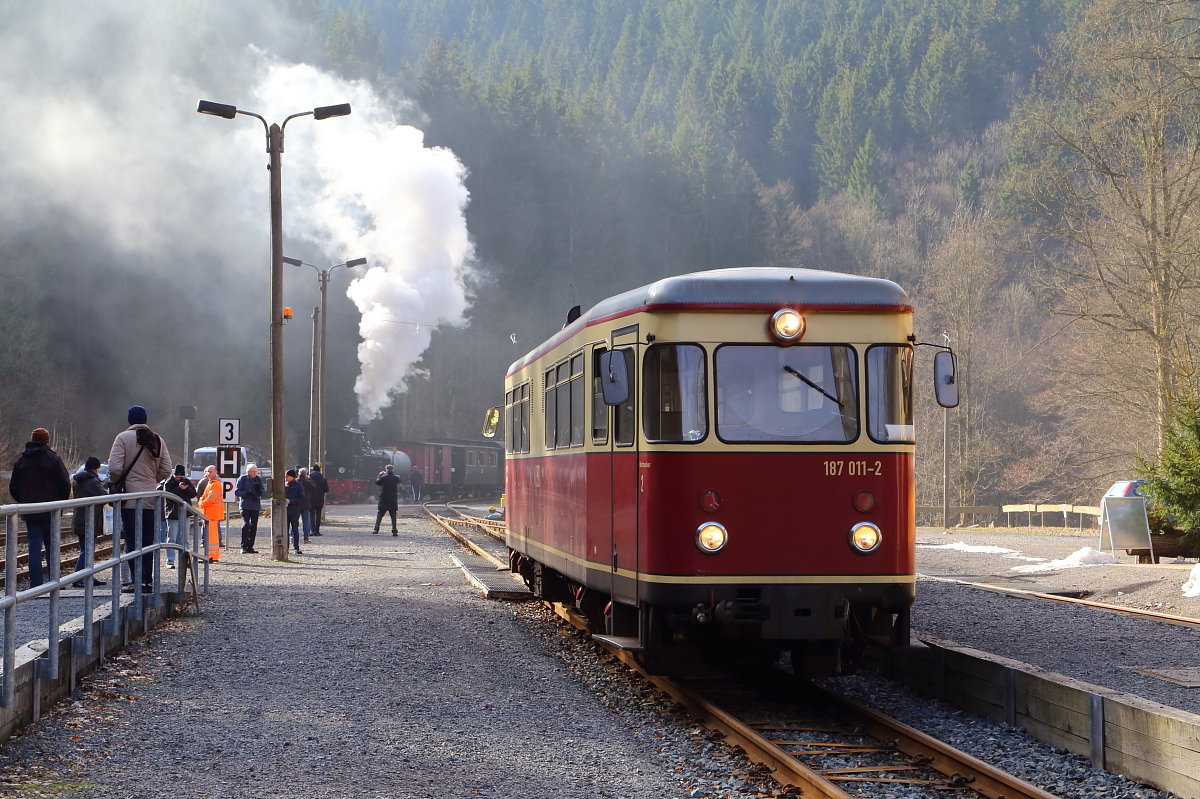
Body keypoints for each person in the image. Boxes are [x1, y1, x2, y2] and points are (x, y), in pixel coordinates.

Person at [107, 407, 171, 593]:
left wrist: (118, 481)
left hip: (129, 498)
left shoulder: (122, 438)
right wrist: (152, 480)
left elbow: (114, 468)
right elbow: (166, 470)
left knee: (133, 541)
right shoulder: (158, 439)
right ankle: (147, 582)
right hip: (150, 497)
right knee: (148, 541)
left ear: (130, 420)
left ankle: (136, 581)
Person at [9, 428, 71, 588]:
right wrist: (60, 503)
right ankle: (55, 581)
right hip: (51, 510)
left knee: (33, 547)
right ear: (46, 440)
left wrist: (24, 501)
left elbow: (13, 486)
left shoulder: (22, 460)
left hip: (30, 511)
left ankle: (35, 584)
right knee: (52, 546)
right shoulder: (53, 458)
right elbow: (65, 484)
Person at [70, 456, 108, 587]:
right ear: (96, 468)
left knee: (85, 548)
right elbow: (105, 497)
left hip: (79, 517)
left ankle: (88, 576)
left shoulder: (78, 480)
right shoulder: (93, 482)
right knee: (88, 549)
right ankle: (78, 577)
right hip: (89, 519)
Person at [160, 465, 197, 569]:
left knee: (185, 538)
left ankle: (186, 559)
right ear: (173, 475)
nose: (179, 479)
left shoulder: (186, 481)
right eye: (177, 477)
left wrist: (186, 488)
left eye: (181, 477)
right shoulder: (168, 483)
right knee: (171, 538)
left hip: (185, 513)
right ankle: (170, 560)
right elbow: (168, 496)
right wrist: (179, 488)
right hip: (173, 513)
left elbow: (193, 494)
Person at [233, 463, 265, 554]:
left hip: (255, 505)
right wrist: (247, 493)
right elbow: (237, 491)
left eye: (255, 472)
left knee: (254, 526)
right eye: (253, 472)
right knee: (246, 524)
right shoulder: (242, 479)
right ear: (248, 471)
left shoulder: (258, 479)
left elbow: (263, 492)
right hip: (245, 505)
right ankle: (243, 546)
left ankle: (250, 546)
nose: (254, 474)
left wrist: (259, 492)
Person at [197, 464, 224, 563]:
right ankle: (212, 556)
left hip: (212, 514)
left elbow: (210, 499)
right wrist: (202, 502)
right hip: (210, 513)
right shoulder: (210, 483)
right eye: (207, 471)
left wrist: (201, 503)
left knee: (211, 537)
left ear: (216, 472)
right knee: (211, 537)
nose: (208, 473)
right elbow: (204, 497)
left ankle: (211, 556)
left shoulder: (215, 484)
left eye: (211, 471)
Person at [374, 464, 401, 536]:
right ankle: (394, 530)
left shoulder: (383, 478)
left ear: (386, 470)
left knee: (380, 514)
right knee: (393, 515)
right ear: (393, 470)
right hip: (392, 499)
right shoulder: (396, 478)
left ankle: (376, 529)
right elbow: (398, 482)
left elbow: (377, 482)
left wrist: (380, 475)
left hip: (384, 498)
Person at [284, 469, 304, 554]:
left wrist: (291, 501)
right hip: (285, 511)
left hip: (294, 510)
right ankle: (286, 547)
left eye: (287, 476)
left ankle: (296, 547)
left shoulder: (298, 486)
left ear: (292, 477)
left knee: (295, 529)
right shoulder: (284, 485)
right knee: (285, 530)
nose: (285, 477)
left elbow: (302, 498)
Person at [308, 464, 329, 536]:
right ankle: (317, 531)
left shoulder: (309, 478)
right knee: (318, 515)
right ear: (319, 470)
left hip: (310, 499)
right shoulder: (323, 479)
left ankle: (312, 530)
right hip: (320, 499)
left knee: (311, 514)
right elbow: (326, 489)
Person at [298, 468, 316, 544]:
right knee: (305, 522)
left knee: (294, 522)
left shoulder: (296, 481)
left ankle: (291, 538)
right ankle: (305, 538)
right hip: (305, 504)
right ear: (305, 474)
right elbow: (314, 487)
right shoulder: (307, 482)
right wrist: (309, 479)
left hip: (296, 504)